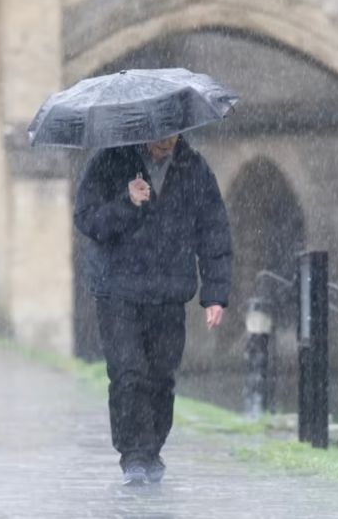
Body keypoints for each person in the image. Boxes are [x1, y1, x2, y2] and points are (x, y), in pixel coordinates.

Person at [74, 133, 232, 486]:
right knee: (128, 373)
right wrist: (127, 203)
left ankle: (152, 448)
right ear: (142, 129)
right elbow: (87, 220)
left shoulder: (195, 169)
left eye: (171, 134)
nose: (165, 142)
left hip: (169, 290)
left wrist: (216, 293)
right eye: (158, 135)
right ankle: (134, 456)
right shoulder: (109, 162)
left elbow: (214, 231)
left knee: (161, 377)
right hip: (118, 289)